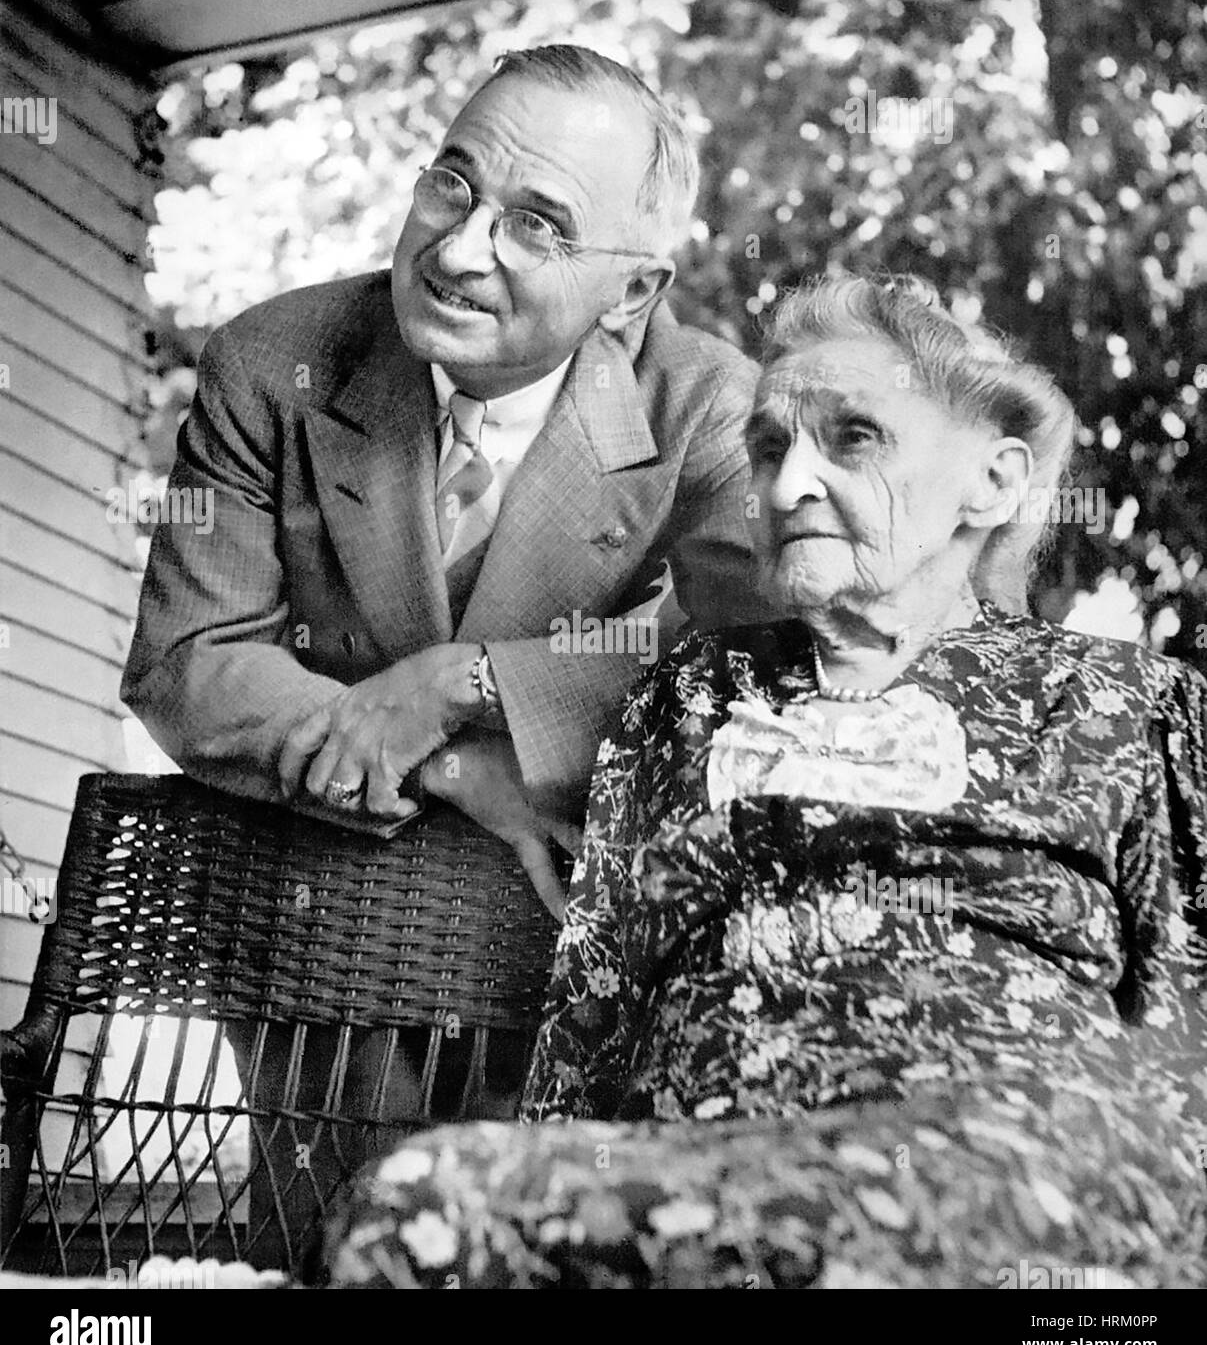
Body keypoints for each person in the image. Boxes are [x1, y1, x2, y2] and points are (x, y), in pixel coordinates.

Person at [325, 274, 1207, 1289]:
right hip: (688, 1192)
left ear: (993, 483)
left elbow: (1184, 1050)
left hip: (1012, 1179)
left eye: (855, 437)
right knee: (418, 1205)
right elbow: (592, 1021)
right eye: (770, 447)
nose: (787, 488)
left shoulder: (1121, 702)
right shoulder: (688, 699)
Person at [120, 44, 767, 1270]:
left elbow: (740, 679)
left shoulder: (711, 415)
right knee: (327, 1263)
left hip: (571, 970)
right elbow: (191, 664)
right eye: (453, 186)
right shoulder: (275, 361)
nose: (461, 248)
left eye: (535, 224)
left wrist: (465, 684)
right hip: (321, 951)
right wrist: (458, 767)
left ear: (630, 295)